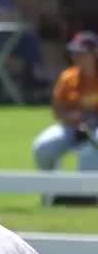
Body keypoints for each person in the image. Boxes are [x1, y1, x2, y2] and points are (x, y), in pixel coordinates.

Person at [32, 31, 98, 183]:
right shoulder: (68, 77)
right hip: (72, 126)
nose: (77, 57)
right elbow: (57, 110)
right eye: (74, 53)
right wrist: (70, 118)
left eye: (82, 53)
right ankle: (52, 193)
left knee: (91, 151)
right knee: (43, 147)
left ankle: (87, 195)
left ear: (95, 53)